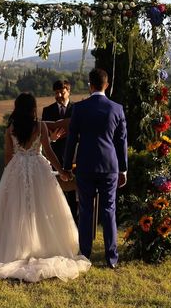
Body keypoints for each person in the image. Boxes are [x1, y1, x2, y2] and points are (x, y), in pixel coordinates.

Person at [0, 93, 91, 282]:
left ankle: (16, 248)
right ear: (33, 108)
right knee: (42, 209)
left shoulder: (11, 128)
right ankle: (42, 245)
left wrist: (9, 179)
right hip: (38, 169)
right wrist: (62, 171)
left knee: (16, 211)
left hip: (16, 169)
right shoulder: (40, 126)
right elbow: (48, 153)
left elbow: (8, 157)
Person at [63, 68, 127, 269]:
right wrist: (123, 169)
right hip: (110, 166)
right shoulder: (117, 109)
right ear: (106, 85)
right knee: (109, 210)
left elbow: (71, 139)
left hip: (85, 165)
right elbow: (122, 141)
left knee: (85, 210)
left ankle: (85, 254)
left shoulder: (80, 108)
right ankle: (111, 258)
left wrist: (66, 166)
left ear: (90, 84)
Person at [41, 79, 78, 224]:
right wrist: (52, 138)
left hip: (74, 158)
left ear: (68, 92)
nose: (59, 95)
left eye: (62, 92)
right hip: (54, 158)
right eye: (56, 93)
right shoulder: (47, 111)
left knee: (72, 196)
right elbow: (43, 136)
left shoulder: (77, 109)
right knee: (54, 196)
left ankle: (74, 226)